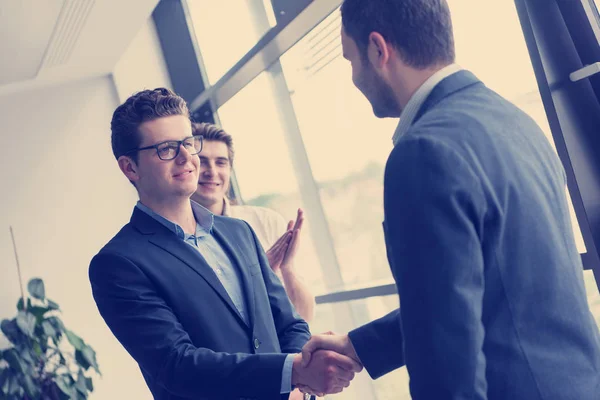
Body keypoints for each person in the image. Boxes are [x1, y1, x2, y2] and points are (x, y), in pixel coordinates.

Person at [301, 1, 600, 399]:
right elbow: (483, 291)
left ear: (378, 49)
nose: (354, 76)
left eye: (351, 60)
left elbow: (446, 365)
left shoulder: (422, 151)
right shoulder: (515, 122)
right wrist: (360, 346)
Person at [88, 88, 361, 400]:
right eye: (166, 148)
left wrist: (302, 376)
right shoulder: (118, 263)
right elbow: (178, 365)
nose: (186, 157)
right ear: (130, 168)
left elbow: (289, 324)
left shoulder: (239, 232)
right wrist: (294, 372)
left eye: (188, 143)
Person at [190, 122, 315, 321]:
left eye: (221, 162)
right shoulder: (180, 239)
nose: (212, 171)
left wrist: (287, 268)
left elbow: (305, 316)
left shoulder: (266, 221)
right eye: (202, 162)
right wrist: (258, 274)